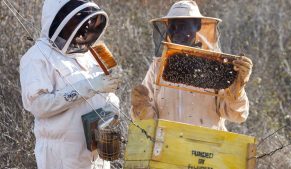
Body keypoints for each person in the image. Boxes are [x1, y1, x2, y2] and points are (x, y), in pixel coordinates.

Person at [20, 0, 120, 168]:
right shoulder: (36, 57)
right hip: (62, 156)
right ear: (59, 19)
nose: (86, 23)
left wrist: (112, 110)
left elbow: (108, 94)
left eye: (88, 16)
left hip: (97, 153)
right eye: (78, 16)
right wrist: (87, 87)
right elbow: (38, 105)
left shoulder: (91, 53)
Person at [131, 0, 253, 131]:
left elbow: (237, 115)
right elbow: (146, 125)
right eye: (172, 26)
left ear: (197, 26)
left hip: (207, 147)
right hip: (167, 145)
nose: (176, 31)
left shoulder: (215, 66)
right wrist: (142, 107)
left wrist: (237, 88)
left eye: (183, 25)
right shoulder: (157, 67)